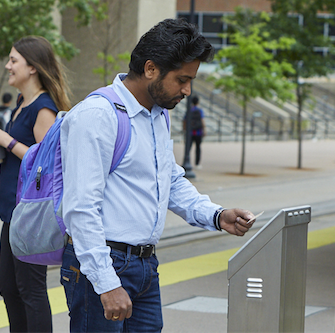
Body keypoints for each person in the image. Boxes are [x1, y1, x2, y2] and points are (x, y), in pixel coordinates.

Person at [59, 18, 257, 332]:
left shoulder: (157, 115)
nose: (187, 90)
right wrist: (106, 283)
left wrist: (217, 215)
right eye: (181, 79)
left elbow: (170, 179)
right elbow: (81, 208)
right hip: (103, 263)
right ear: (151, 69)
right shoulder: (97, 116)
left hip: (145, 265)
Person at [0, 35, 71, 333]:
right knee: (8, 285)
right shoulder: (22, 103)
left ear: (32, 67)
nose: (8, 66)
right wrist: (2, 147)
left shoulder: (43, 107)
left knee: (29, 288)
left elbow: (45, 164)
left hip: (31, 213)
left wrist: (7, 142)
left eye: (13, 60)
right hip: (14, 211)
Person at [183, 95, 206, 169]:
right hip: (198, 132)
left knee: (188, 148)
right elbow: (202, 120)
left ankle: (186, 161)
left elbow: (185, 120)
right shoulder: (200, 110)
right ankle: (197, 163)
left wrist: (184, 130)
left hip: (190, 132)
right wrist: (204, 129)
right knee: (198, 148)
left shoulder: (189, 110)